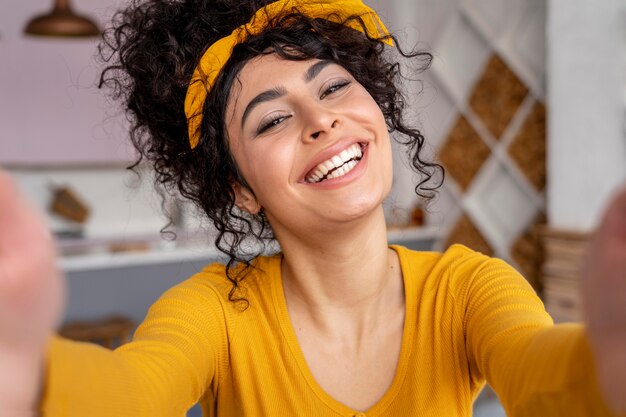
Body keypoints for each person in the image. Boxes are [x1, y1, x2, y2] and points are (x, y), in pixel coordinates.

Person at [1, 0, 625, 416]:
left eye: (333, 86)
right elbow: (130, 393)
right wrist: (27, 374)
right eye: (272, 119)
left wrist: (610, 358)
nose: (320, 119)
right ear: (239, 188)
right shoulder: (215, 311)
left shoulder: (468, 288)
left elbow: (542, 371)